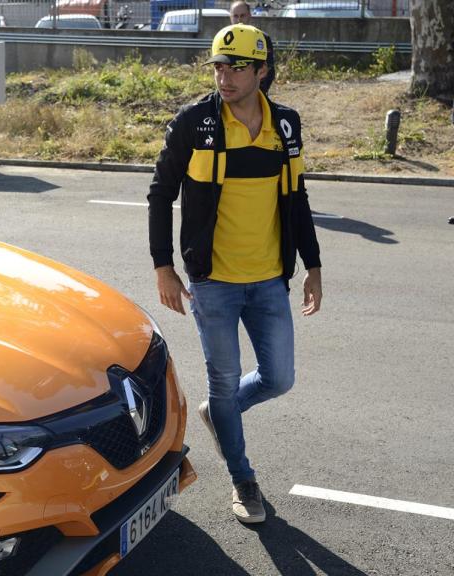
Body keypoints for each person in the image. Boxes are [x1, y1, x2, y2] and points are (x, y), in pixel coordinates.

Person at [147, 23, 322, 524]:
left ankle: (218, 417)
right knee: (223, 383)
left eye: (236, 67)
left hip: (270, 279)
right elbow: (161, 193)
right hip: (212, 283)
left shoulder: (285, 126)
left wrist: (313, 265)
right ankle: (243, 480)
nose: (224, 77)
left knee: (280, 378)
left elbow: (298, 197)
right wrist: (164, 266)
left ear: (262, 71)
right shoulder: (193, 123)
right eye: (218, 67)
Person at [230, 1, 275, 94]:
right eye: (235, 16)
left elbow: (269, 70)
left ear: (249, 15)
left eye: (242, 15)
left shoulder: (262, 38)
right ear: (230, 18)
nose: (239, 20)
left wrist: (258, 92)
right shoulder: (223, 39)